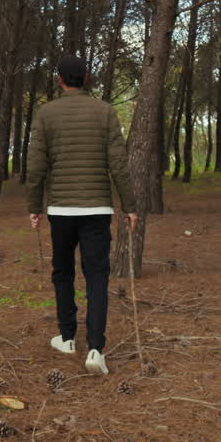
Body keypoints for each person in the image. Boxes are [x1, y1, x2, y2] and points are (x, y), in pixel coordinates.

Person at [26, 55, 137, 375]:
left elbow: (36, 167)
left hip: (60, 209)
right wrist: (130, 206)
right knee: (97, 276)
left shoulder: (46, 114)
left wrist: (34, 206)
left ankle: (67, 336)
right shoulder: (105, 112)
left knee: (63, 272)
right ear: (86, 78)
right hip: (97, 210)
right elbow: (119, 164)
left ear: (60, 79)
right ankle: (96, 350)